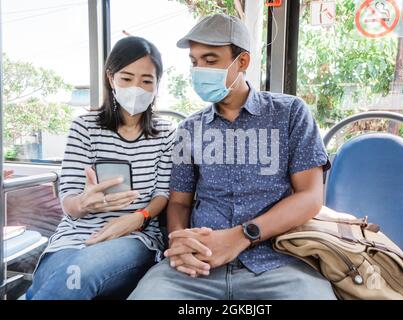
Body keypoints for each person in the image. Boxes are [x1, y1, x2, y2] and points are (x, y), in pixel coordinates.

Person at [129, 14, 336, 300]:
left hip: (276, 262)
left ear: (242, 62)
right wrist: (180, 242)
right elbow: (179, 202)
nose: (199, 69)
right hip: (199, 264)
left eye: (210, 60)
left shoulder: (289, 113)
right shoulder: (189, 129)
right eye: (194, 61)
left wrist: (241, 236)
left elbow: (310, 197)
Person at [27, 36, 176, 300]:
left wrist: (138, 217)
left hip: (134, 237)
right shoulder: (84, 127)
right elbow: (69, 201)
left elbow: (162, 194)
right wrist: (84, 203)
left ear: (157, 85)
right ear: (111, 78)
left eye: (146, 81)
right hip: (75, 236)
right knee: (51, 280)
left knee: (78, 273)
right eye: (126, 78)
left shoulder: (166, 132)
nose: (136, 88)